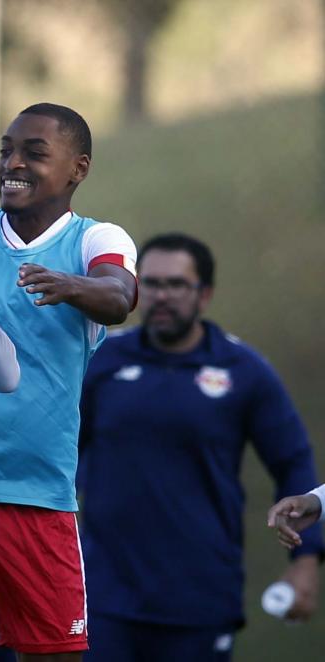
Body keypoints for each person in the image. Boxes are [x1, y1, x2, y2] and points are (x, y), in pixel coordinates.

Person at [0, 103, 137, 661]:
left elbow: (118, 296)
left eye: (34, 153)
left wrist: (69, 285)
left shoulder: (95, 240)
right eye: (5, 150)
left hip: (35, 493)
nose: (11, 164)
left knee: (55, 652)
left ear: (78, 168)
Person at [79, 233, 322, 662]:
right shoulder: (101, 360)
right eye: (150, 284)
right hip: (103, 596)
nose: (162, 296)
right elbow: (55, 454)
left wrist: (305, 564)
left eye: (177, 285)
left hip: (200, 598)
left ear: (204, 294)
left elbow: (294, 463)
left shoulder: (244, 372)